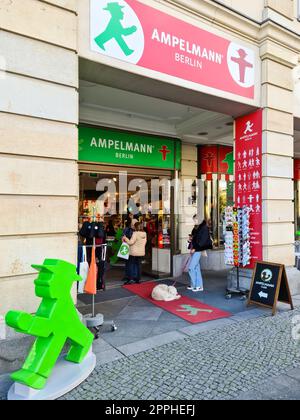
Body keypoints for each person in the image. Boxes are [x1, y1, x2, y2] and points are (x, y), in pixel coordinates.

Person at [188, 215, 212, 293]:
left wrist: (195, 248)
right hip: (194, 249)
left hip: (197, 250)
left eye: (195, 220)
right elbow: (194, 239)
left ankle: (196, 285)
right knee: (196, 267)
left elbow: (203, 241)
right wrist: (190, 240)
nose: (194, 221)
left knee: (191, 268)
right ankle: (197, 285)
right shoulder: (196, 228)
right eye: (194, 220)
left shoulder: (204, 228)